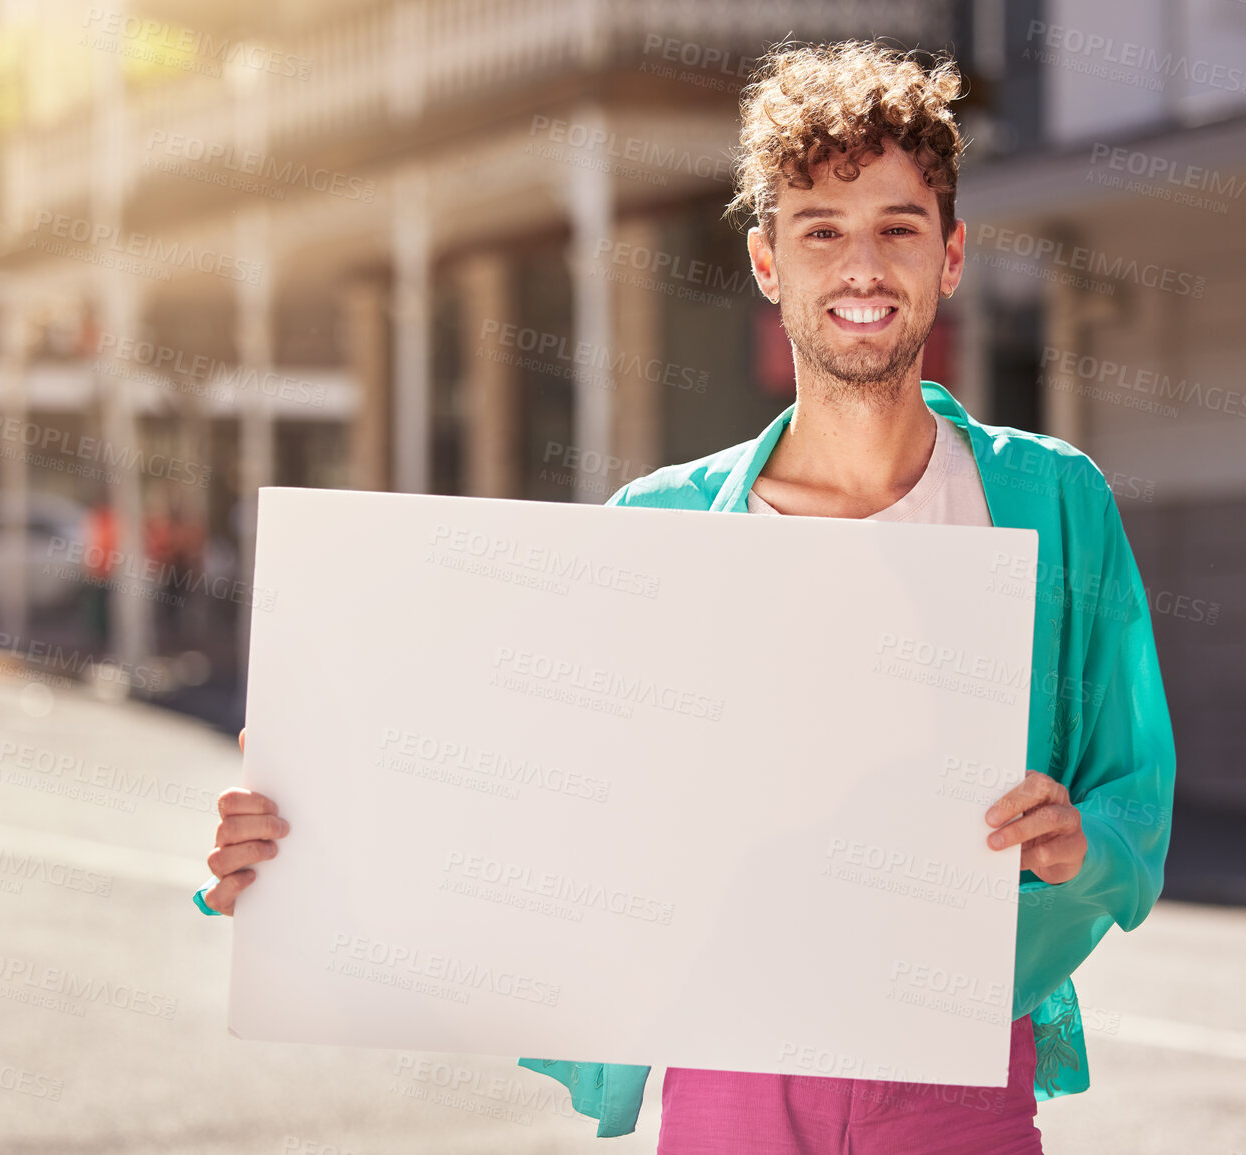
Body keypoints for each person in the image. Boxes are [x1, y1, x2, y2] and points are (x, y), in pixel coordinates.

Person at [193, 39, 1175, 1155]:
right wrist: (300, 858)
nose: (863, 266)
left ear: (951, 256)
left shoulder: (1050, 504)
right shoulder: (660, 528)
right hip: (728, 1070)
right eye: (821, 230)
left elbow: (1134, 790)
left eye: (899, 227)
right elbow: (527, 790)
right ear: (767, 261)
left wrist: (1077, 843)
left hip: (953, 1070)